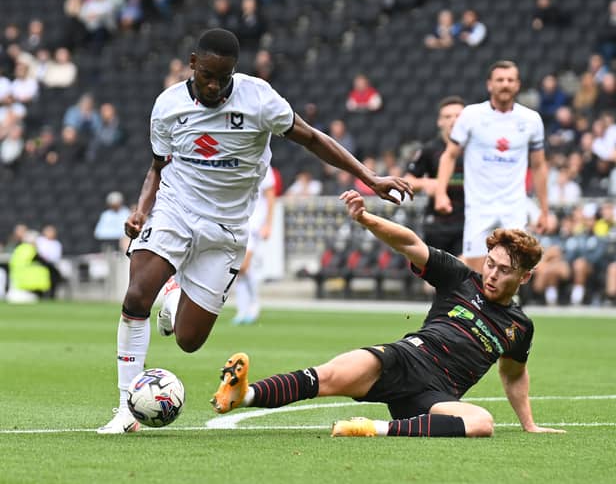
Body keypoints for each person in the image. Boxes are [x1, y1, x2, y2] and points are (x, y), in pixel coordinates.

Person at [97, 28, 412, 434]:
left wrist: (370, 177)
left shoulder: (260, 99)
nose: (214, 85)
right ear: (192, 63)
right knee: (137, 295)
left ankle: (174, 299)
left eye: (223, 77)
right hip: (176, 210)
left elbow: (313, 139)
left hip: (227, 227)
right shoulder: (167, 106)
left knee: (189, 341)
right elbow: (158, 167)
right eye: (207, 74)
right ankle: (126, 408)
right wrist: (142, 210)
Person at [210, 189, 565, 438]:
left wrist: (529, 424)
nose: (492, 274)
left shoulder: (519, 326)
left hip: (436, 397)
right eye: (490, 263)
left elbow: (514, 374)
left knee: (481, 423)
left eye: (504, 270)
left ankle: (374, 428)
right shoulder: (460, 278)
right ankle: (245, 394)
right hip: (404, 359)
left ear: (525, 276)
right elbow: (411, 243)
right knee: (329, 374)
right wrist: (366, 219)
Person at [435, 60, 549, 273]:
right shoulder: (471, 115)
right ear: (489, 84)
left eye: (510, 80)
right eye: (500, 80)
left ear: (518, 85)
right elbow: (449, 155)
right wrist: (441, 193)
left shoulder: (531, 120)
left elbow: (539, 165)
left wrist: (544, 210)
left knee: (513, 269)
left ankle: (509, 306)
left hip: (514, 206)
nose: (505, 84)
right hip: (479, 207)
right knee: (476, 273)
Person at [405, 96, 465, 257]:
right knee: (435, 276)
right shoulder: (429, 150)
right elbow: (407, 181)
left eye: (458, 116)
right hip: (437, 224)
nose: (453, 120)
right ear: (440, 122)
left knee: (465, 272)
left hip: (467, 222)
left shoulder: (475, 149)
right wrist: (426, 183)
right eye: (448, 116)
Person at [231, 166, 276, 325]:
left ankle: (254, 304)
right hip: (238, 220)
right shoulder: (237, 162)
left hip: (255, 222)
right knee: (240, 268)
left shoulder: (264, 165)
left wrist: (268, 224)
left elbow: (270, 195)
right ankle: (243, 309)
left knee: (243, 266)